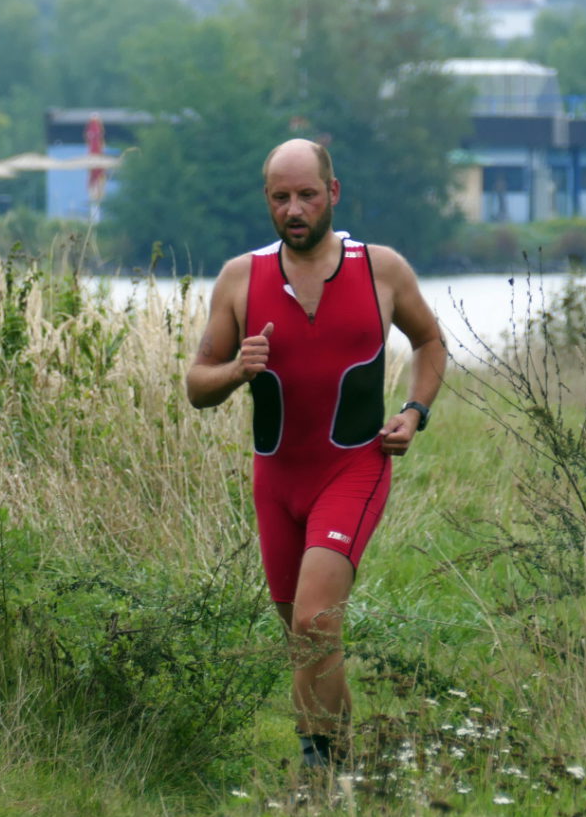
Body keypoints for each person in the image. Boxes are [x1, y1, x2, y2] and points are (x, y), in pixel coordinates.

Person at [184, 138, 446, 769]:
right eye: (281, 197)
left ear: (333, 193)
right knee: (306, 641)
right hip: (276, 481)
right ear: (267, 200)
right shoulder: (241, 278)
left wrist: (414, 411)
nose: (294, 209)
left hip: (353, 468)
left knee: (315, 624)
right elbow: (197, 385)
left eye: (306, 195)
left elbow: (430, 342)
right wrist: (236, 370)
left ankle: (319, 774)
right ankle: (347, 764)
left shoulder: (381, 269)